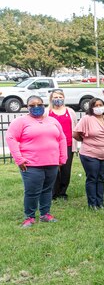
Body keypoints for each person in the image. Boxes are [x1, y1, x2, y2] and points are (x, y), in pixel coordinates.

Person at [7, 95, 67, 226]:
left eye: (39, 104)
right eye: (32, 105)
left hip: (51, 163)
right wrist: (19, 159)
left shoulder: (52, 121)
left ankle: (45, 214)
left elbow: (62, 138)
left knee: (47, 189)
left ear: (43, 105)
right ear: (27, 107)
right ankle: (29, 217)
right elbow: (10, 138)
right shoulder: (21, 122)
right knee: (32, 191)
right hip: (31, 164)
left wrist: (63, 158)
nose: (36, 107)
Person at [74, 98, 104, 210]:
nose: (99, 107)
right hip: (90, 154)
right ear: (91, 107)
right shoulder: (87, 119)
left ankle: (100, 203)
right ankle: (92, 204)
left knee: (101, 178)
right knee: (92, 178)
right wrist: (85, 140)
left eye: (101, 105)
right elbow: (75, 134)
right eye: (96, 105)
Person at [47, 89, 77, 200]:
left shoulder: (70, 111)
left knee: (65, 169)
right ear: (51, 99)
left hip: (68, 144)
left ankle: (62, 192)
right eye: (55, 97)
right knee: (54, 169)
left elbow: (75, 126)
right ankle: (54, 192)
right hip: (52, 145)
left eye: (60, 97)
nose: (58, 99)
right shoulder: (47, 112)